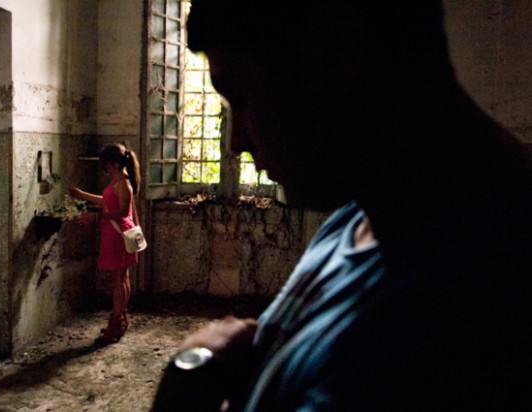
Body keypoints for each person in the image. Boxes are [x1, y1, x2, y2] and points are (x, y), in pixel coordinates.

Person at [151, 1, 532, 411]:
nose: (236, 143)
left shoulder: (469, 314)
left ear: (335, 51)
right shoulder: (360, 220)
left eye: (241, 98)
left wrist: (187, 383)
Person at [70, 143, 141, 345]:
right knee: (122, 278)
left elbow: (122, 212)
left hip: (118, 234)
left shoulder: (123, 183)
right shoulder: (120, 181)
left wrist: (95, 217)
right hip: (119, 233)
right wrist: (82, 194)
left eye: (106, 165)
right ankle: (120, 319)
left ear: (114, 164)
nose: (105, 169)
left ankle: (116, 323)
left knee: (118, 280)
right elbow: (108, 201)